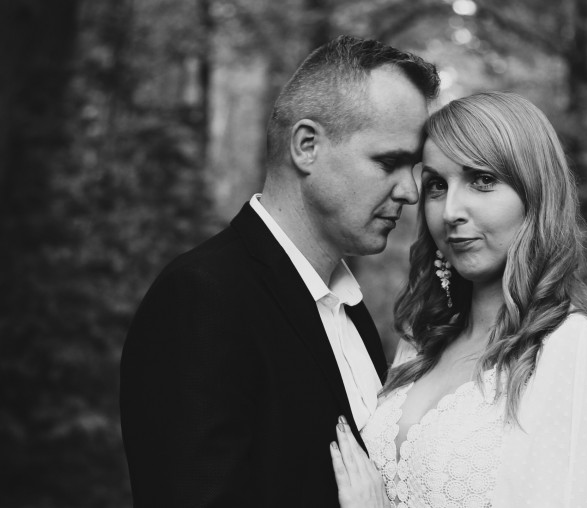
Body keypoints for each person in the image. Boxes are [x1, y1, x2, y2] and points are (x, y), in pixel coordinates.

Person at [119, 35, 439, 507]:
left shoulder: (348, 309)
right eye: (389, 162)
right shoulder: (201, 298)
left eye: (414, 168)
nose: (410, 192)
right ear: (307, 146)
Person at [330, 91, 587, 507]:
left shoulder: (579, 353)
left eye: (482, 180)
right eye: (437, 186)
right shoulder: (421, 342)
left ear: (534, 195)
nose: (451, 211)